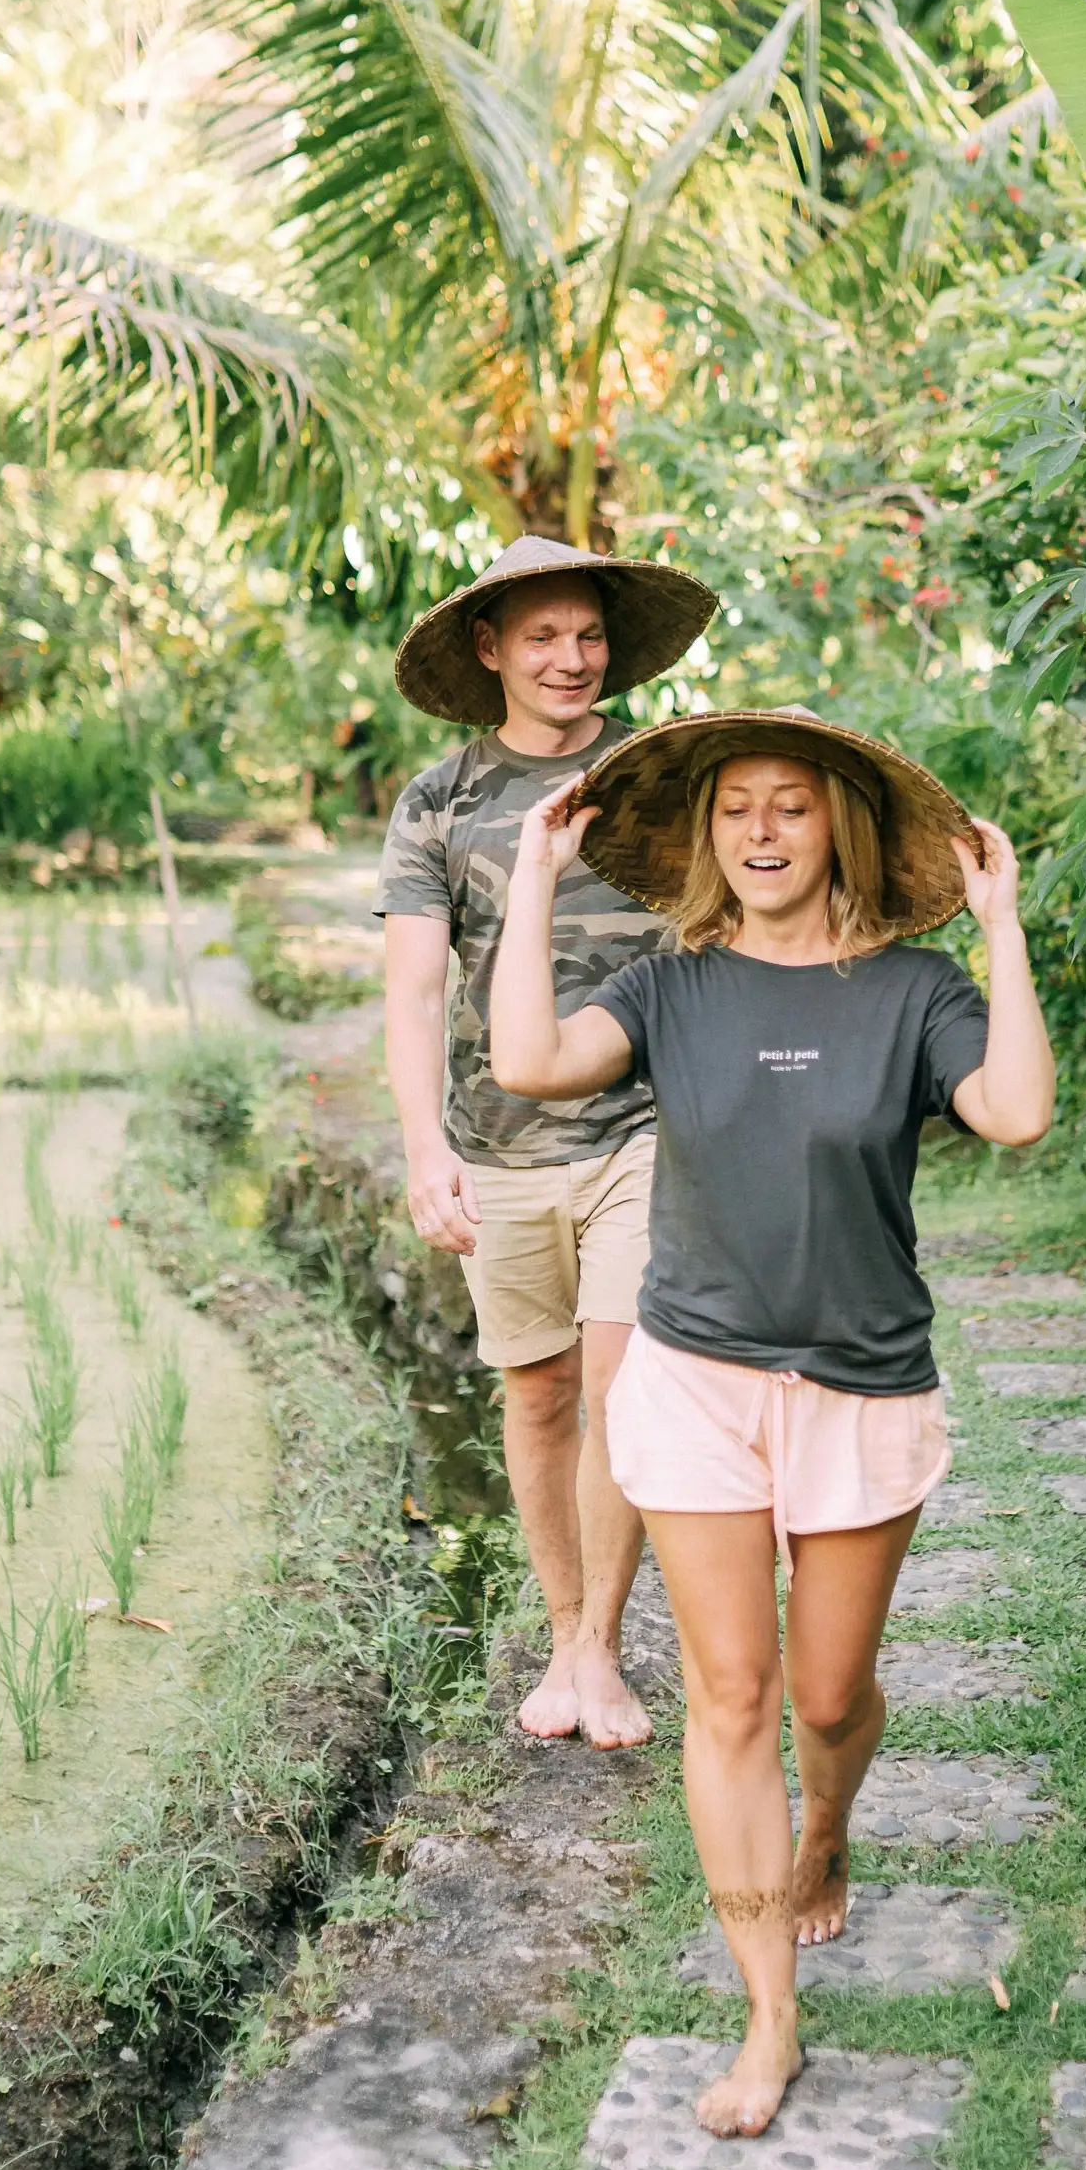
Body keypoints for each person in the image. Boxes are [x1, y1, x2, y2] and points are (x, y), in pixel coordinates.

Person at [490, 707, 1054, 2138]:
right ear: (705, 836)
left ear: (836, 829)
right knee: (731, 1694)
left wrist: (1003, 927)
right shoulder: (672, 985)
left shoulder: (916, 989)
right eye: (736, 808)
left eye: (790, 807)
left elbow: (1020, 1110)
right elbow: (528, 1063)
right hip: (694, 1378)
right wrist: (539, 883)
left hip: (863, 1384)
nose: (760, 831)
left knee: (824, 1698)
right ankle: (767, 2015)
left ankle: (830, 1824)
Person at [374, 533, 718, 1749]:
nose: (572, 659)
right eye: (542, 639)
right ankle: (566, 1626)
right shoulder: (441, 801)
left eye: (587, 636)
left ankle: (595, 1649)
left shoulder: (662, 777)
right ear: (490, 650)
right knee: (538, 1396)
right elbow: (416, 991)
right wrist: (425, 1148)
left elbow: (723, 933)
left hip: (644, 1131)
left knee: (624, 1397)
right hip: (501, 1143)